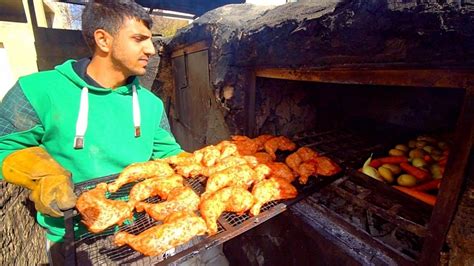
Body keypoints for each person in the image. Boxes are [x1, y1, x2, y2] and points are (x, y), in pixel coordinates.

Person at [0, 0, 183, 264]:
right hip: (74, 238)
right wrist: (43, 175)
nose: (151, 50)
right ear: (103, 40)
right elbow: (5, 146)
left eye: (151, 40)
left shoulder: (150, 104)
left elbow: (168, 154)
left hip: (141, 224)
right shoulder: (37, 90)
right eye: (139, 39)